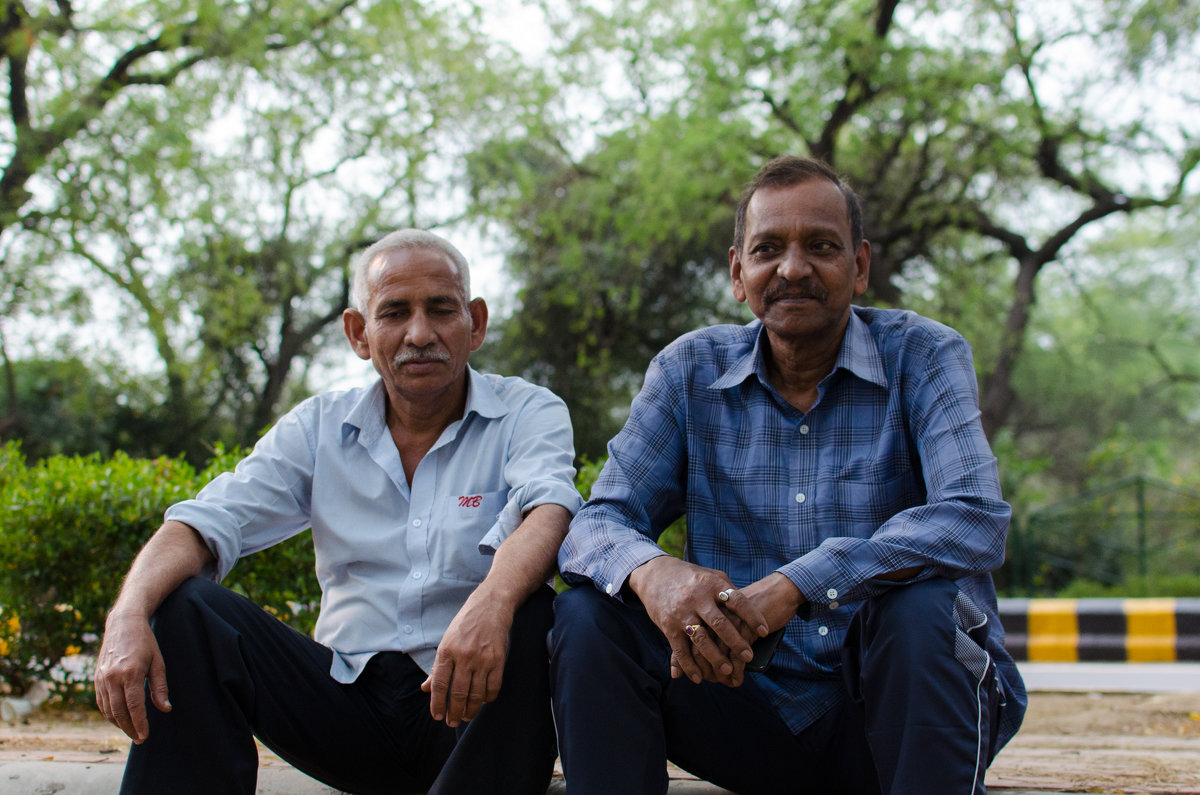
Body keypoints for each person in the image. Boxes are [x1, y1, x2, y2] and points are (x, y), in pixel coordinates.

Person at [551, 156, 1027, 794]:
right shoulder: (688, 370)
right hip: (735, 704)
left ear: (859, 267)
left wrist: (800, 584)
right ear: (738, 273)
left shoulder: (925, 355)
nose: (793, 268)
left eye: (821, 247)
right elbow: (596, 524)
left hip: (889, 713)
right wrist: (653, 572)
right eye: (768, 248)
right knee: (588, 615)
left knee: (922, 610)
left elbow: (973, 518)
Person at [94, 229, 582, 794]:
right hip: (347, 707)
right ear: (358, 332)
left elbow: (548, 508)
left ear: (475, 323)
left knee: (532, 611)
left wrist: (492, 603)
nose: (419, 333)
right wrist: (126, 616)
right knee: (187, 609)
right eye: (394, 312)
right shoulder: (319, 427)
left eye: (441, 309)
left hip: (476, 708)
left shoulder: (528, 411)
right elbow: (206, 522)